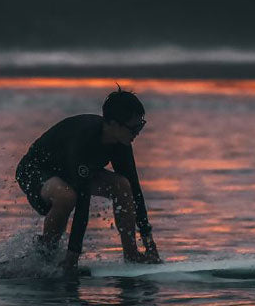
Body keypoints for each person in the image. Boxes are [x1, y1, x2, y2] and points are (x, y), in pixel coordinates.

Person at [16, 88, 162, 276]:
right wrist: (73, 257)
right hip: (35, 170)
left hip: (70, 172)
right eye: (133, 128)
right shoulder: (84, 139)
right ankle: (45, 255)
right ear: (112, 124)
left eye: (140, 126)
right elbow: (82, 201)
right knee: (68, 196)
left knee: (123, 186)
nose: (137, 133)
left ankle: (132, 255)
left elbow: (135, 192)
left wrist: (149, 242)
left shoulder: (122, 142)